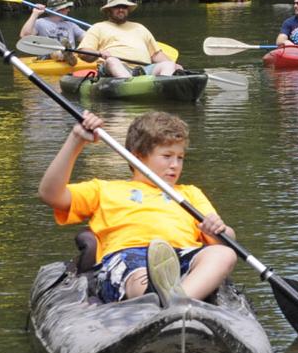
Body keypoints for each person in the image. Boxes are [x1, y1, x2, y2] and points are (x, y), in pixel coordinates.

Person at [39, 110, 237, 306]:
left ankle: (177, 300)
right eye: (167, 156)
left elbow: (226, 240)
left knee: (224, 254)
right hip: (129, 257)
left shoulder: (190, 193)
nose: (175, 165)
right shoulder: (105, 190)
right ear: (139, 157)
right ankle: (158, 293)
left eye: (180, 157)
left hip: (182, 256)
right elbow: (50, 194)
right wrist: (76, 140)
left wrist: (219, 230)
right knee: (139, 274)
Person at [77, 0, 180, 78]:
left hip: (144, 69)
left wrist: (175, 65)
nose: (121, 9)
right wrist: (99, 53)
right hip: (115, 69)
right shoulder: (98, 27)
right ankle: (129, 83)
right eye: (117, 6)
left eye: (124, 6)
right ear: (109, 10)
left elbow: (156, 55)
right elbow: (82, 53)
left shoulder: (140, 27)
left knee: (168, 65)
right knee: (112, 61)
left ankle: (163, 84)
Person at [20, 0, 86, 63]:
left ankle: (68, 55)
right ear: (60, 9)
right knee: (55, 51)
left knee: (84, 48)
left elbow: (86, 38)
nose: (68, 10)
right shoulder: (40, 22)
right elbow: (24, 36)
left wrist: (95, 36)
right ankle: (65, 55)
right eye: (67, 7)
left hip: (71, 54)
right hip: (48, 57)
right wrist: (35, 14)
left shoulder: (71, 25)